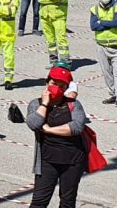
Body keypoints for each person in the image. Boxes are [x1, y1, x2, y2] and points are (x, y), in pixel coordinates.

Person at [25, 65, 87, 208]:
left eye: (61, 86)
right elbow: (34, 123)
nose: (57, 88)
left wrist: (49, 130)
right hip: (47, 161)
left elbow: (76, 127)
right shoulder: (36, 103)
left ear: (66, 89)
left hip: (73, 161)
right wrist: (45, 103)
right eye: (53, 84)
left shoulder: (73, 104)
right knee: (39, 201)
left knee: (67, 201)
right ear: (47, 83)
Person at [90, 0, 117, 110]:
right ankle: (112, 94)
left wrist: (101, 22)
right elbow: (93, 26)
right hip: (101, 45)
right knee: (107, 73)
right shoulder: (94, 9)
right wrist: (108, 24)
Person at [38, 0, 71, 65]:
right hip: (45, 17)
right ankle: (53, 61)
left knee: (61, 40)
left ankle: (65, 62)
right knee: (50, 41)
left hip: (58, 17)